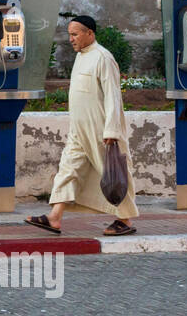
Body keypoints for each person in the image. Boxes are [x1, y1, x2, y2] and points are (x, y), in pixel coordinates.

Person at [26, 15, 138, 236]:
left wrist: (112, 131)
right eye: (69, 34)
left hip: (101, 130)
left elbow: (113, 97)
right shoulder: (81, 57)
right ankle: (54, 217)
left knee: (114, 174)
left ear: (90, 34)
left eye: (75, 34)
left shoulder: (103, 58)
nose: (71, 39)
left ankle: (125, 219)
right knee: (68, 169)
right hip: (79, 130)